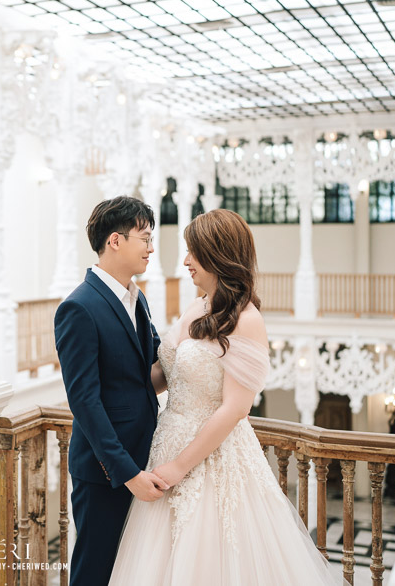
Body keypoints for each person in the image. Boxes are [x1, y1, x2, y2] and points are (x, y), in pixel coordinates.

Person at [108, 209, 340, 585]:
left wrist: (179, 466)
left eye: (193, 252)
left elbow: (235, 408)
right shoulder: (197, 306)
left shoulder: (247, 320)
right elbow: (165, 374)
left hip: (212, 459)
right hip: (166, 442)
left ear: (219, 255)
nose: (186, 261)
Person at [54, 196, 169, 586]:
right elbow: (84, 402)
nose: (151, 248)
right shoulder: (79, 308)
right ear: (115, 241)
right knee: (95, 570)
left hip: (146, 456)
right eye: (145, 238)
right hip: (105, 472)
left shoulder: (138, 300)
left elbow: (148, 372)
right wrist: (126, 473)